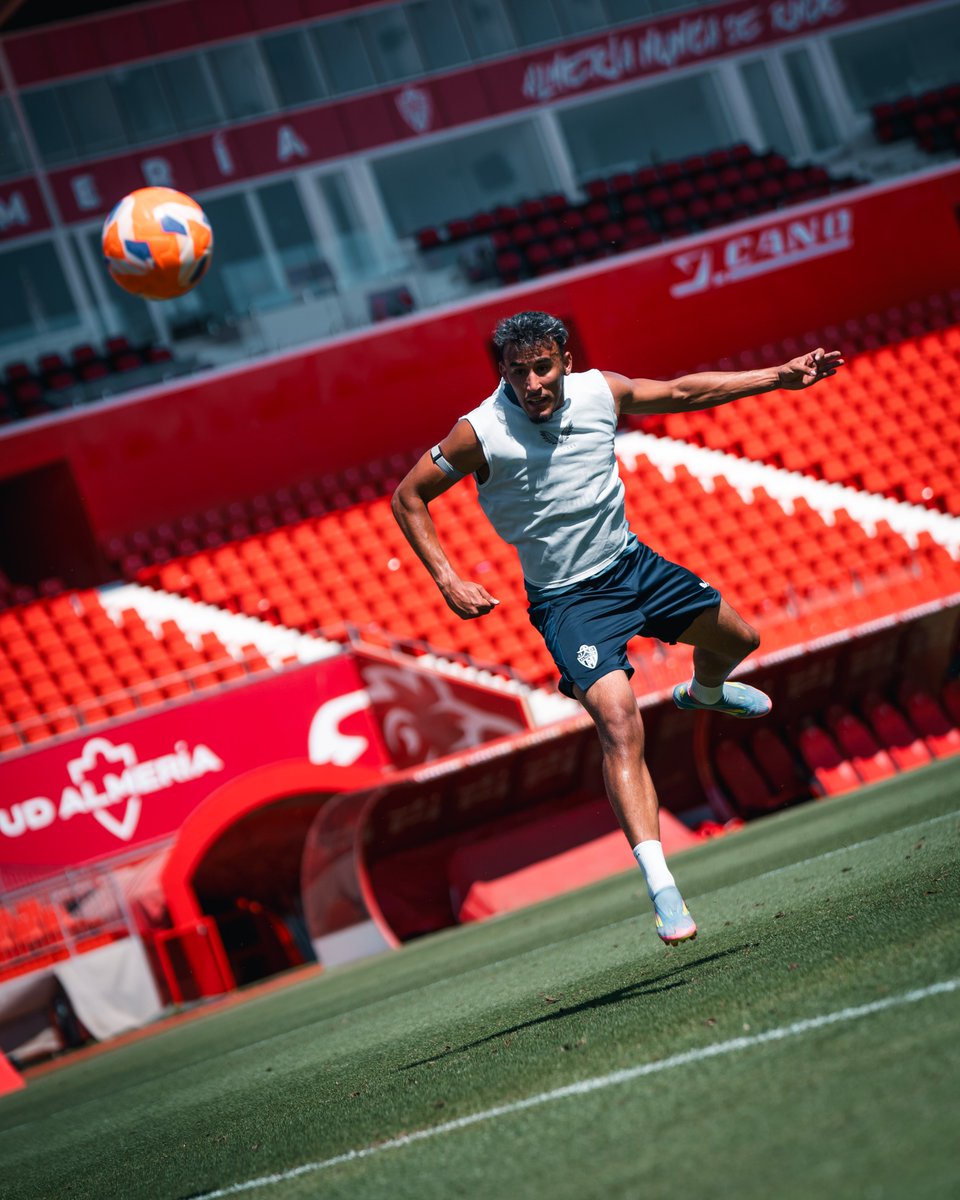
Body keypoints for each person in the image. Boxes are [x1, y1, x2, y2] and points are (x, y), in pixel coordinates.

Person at [392, 310, 843, 945]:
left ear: (565, 362)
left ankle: (705, 693)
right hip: (568, 602)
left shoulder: (601, 390)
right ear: (504, 374)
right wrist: (448, 579)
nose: (533, 383)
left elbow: (686, 392)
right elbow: (408, 496)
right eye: (517, 372)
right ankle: (664, 889)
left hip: (633, 565)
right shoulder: (480, 432)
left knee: (740, 639)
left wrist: (779, 377)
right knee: (620, 723)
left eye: (543, 366)